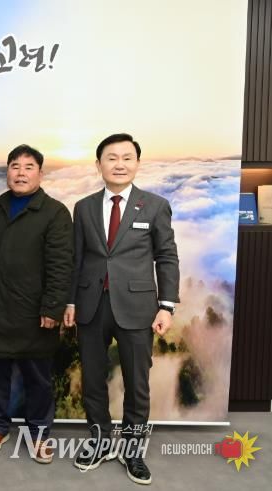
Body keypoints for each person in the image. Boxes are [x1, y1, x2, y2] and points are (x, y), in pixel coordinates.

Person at [64, 133, 180, 485]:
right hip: (91, 306)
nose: (119, 164)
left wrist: (166, 306)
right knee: (93, 379)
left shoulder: (155, 205)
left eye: (127, 158)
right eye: (111, 158)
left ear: (137, 164)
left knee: (136, 382)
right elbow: (76, 259)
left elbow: (166, 257)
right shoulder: (84, 207)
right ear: (98, 164)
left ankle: (132, 451)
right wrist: (71, 301)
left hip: (137, 307)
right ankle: (99, 442)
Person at [0, 144, 72, 463]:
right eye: (15, 166)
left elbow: (61, 265)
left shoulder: (55, 212)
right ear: (7, 172)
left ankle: (39, 433)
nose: (21, 173)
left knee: (37, 379)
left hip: (35, 312)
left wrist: (53, 307)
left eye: (29, 167)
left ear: (41, 173)